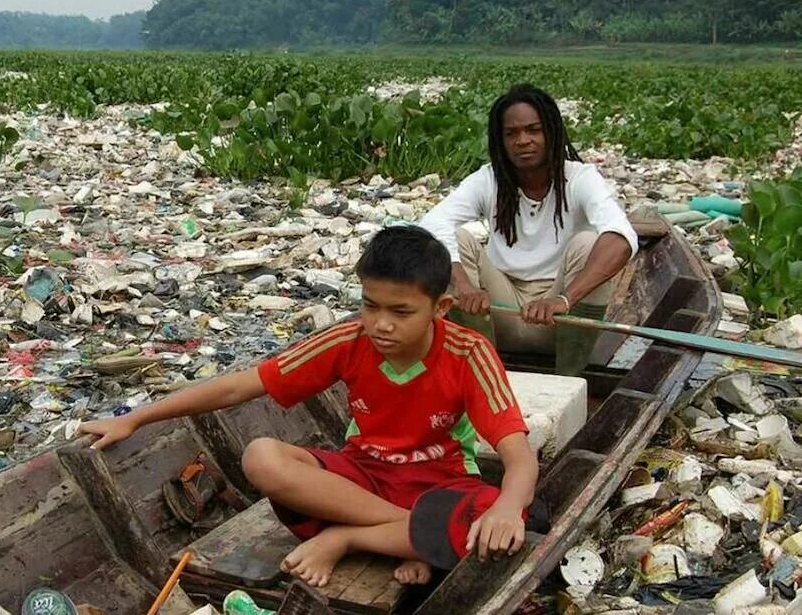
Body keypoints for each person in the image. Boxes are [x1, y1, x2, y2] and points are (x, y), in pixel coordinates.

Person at [78, 225, 539, 588]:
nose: (381, 325)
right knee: (261, 456)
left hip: (440, 483)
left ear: (441, 308)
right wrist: (134, 418)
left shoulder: (468, 351)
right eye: (370, 305)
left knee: (499, 517)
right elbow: (239, 387)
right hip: (361, 482)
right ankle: (414, 537)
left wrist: (506, 506)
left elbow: (517, 455)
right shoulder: (348, 340)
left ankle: (349, 538)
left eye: (401, 313)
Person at [419, 83, 638, 376]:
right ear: (501, 141)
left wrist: (565, 299)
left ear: (551, 132)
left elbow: (622, 237)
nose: (523, 140)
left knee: (588, 243)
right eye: (512, 133)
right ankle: (479, 371)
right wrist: (465, 287)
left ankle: (569, 378)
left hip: (559, 318)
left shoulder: (579, 178)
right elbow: (432, 223)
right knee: (450, 241)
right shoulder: (489, 179)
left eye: (533, 130)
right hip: (498, 313)